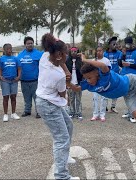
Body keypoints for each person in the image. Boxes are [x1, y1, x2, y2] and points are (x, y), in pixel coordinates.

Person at [67, 53, 136, 130]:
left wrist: (85, 60)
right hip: (127, 92)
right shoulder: (88, 84)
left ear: (97, 73)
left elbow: (102, 65)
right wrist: (67, 83)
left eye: (90, 78)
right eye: (86, 78)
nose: (88, 81)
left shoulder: (104, 74)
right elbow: (76, 89)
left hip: (132, 81)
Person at [36, 33, 78, 180]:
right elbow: (62, 94)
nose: (68, 56)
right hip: (48, 104)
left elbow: (60, 61)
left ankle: (64, 157)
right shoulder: (57, 75)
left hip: (47, 100)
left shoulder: (45, 56)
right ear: (60, 54)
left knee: (69, 125)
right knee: (61, 138)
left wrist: (66, 71)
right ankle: (61, 176)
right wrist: (66, 77)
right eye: (66, 53)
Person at [17, 36, 43, 119]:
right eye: (28, 43)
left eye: (31, 43)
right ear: (25, 45)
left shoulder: (39, 54)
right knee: (26, 97)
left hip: (35, 80)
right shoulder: (20, 55)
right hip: (24, 80)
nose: (30, 45)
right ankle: (27, 110)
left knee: (37, 97)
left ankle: (38, 112)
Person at [119, 36, 136, 123]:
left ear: (132, 44)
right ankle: (129, 111)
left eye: (128, 44)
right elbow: (120, 64)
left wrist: (129, 65)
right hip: (124, 76)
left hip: (133, 78)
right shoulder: (124, 52)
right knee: (126, 95)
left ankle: (132, 114)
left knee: (132, 95)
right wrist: (123, 55)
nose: (127, 45)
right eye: (126, 44)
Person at [0, 43, 21, 122]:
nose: (9, 50)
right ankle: (5, 114)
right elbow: (0, 69)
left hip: (14, 80)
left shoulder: (15, 58)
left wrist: (18, 76)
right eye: (7, 49)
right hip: (5, 81)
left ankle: (13, 113)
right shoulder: (1, 59)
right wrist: (0, 76)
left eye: (10, 48)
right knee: (5, 97)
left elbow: (19, 68)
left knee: (13, 97)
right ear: (4, 50)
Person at [91, 45, 112, 122]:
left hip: (104, 83)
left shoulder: (106, 60)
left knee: (103, 98)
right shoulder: (93, 60)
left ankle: (102, 114)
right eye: (97, 51)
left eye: (100, 51)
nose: (98, 52)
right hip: (96, 83)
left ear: (103, 52)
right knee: (95, 98)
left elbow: (109, 71)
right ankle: (95, 114)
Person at [103, 36, 122, 113]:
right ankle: (105, 106)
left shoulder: (119, 53)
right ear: (109, 44)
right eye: (113, 43)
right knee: (106, 90)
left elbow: (121, 62)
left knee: (115, 90)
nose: (115, 45)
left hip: (116, 75)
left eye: (116, 43)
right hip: (107, 75)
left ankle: (113, 106)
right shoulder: (105, 54)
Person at [65, 47, 83, 120]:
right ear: (70, 52)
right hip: (70, 84)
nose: (73, 53)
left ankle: (78, 113)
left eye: (75, 51)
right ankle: (72, 112)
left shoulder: (80, 61)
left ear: (77, 52)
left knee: (78, 99)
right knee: (71, 99)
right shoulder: (67, 61)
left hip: (78, 83)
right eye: (72, 51)